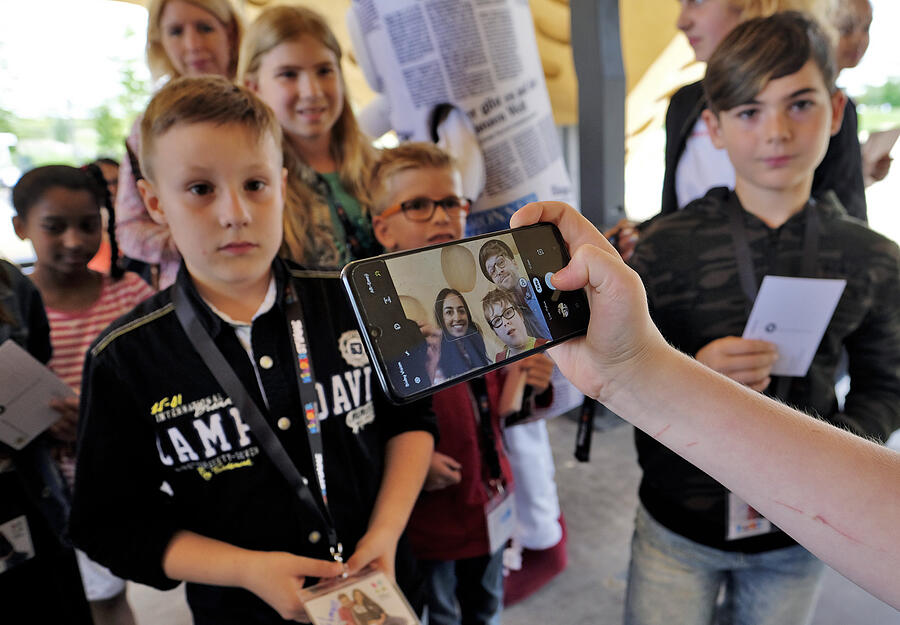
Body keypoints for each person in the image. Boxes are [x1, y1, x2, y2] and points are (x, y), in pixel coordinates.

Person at [69, 76, 436, 625]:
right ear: (153, 201)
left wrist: (385, 533)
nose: (234, 212)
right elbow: (110, 524)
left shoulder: (362, 299)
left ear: (282, 185)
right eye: (200, 189)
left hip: (385, 588)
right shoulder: (123, 359)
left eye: (256, 184)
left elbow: (412, 419)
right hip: (240, 612)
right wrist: (244, 569)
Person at [625, 13, 900, 625]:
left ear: (834, 111)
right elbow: (621, 382)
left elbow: (889, 384)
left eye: (798, 104)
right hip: (678, 522)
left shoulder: (873, 259)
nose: (776, 131)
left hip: (802, 533)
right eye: (749, 112)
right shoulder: (663, 248)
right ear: (714, 128)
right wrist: (685, 371)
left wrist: (831, 456)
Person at [369, 142, 553, 625]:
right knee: (442, 612)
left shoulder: (477, 298)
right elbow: (365, 422)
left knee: (487, 605)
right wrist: (412, 458)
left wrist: (526, 380)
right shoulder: (376, 320)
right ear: (382, 228)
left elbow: (501, 407)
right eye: (418, 205)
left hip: (490, 495)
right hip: (429, 516)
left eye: (451, 202)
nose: (441, 217)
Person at [11, 164, 155, 624]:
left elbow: (160, 378)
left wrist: (104, 419)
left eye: (89, 225)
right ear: (21, 228)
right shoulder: (15, 311)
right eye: (54, 227)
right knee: (94, 599)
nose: (74, 241)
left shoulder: (130, 293)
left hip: (135, 475)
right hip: (61, 489)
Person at [659, 0, 867, 220]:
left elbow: (849, 221)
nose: (681, 22)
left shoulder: (823, 105)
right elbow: (675, 214)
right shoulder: (684, 103)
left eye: (697, 2)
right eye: (748, 112)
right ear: (714, 125)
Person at [115, 0, 244, 289]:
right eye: (176, 31)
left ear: (231, 33)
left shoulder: (265, 107)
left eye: (205, 28)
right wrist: (198, 238)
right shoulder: (147, 126)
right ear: (159, 40)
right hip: (189, 296)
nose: (192, 43)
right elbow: (128, 230)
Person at [241, 5, 381, 268]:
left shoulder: (382, 169)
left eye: (324, 71)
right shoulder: (251, 188)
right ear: (254, 87)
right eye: (289, 75)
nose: (312, 91)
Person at [0, 260, 93, 623]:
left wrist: (58, 419)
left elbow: (37, 369)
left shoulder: (9, 282)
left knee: (58, 602)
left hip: (30, 493)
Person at [833, 0, 892, 187]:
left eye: (866, 28)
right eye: (846, 29)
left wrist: (865, 170)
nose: (859, 39)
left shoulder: (847, 104)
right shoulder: (811, 106)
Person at [477, 239, 550, 340]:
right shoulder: (510, 320)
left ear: (514, 263)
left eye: (501, 262)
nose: (498, 271)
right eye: (492, 271)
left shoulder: (544, 285)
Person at [432, 288, 492, 382]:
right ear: (441, 318)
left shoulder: (476, 339)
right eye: (449, 312)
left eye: (461, 311)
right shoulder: (436, 358)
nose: (457, 317)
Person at [482, 289, 549, 363]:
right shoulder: (498, 361)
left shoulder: (548, 348)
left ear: (520, 315)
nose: (505, 322)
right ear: (496, 333)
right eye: (497, 321)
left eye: (508, 312)